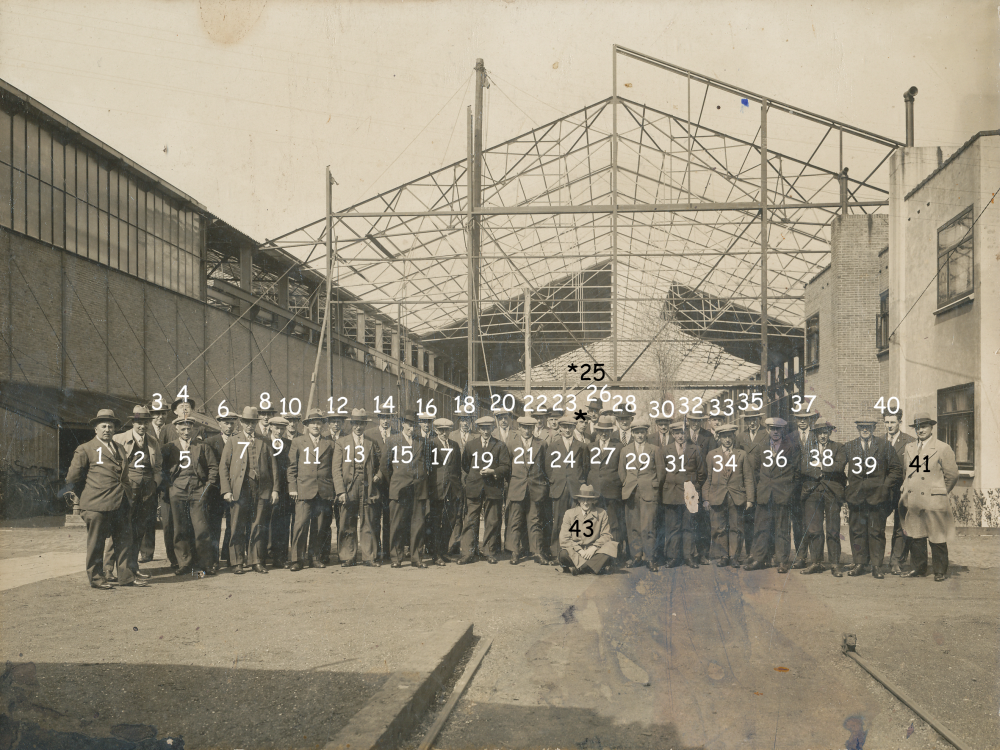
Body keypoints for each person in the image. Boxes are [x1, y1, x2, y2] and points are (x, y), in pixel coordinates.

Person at [59, 409, 148, 589]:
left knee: (123, 541)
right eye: (103, 426)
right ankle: (97, 578)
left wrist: (127, 496)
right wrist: (89, 494)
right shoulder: (85, 449)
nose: (107, 429)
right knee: (96, 544)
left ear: (114, 429)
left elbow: (123, 476)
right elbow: (72, 479)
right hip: (96, 505)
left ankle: (126, 577)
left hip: (121, 503)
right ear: (96, 429)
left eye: (110, 426)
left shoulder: (120, 448)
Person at [103, 405, 160, 582]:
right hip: (127, 488)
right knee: (120, 528)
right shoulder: (119, 439)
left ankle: (132, 567)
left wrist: (155, 483)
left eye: (145, 422)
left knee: (139, 529)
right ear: (133, 422)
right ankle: (107, 569)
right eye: (139, 422)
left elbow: (157, 466)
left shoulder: (152, 441)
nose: (142, 426)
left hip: (147, 490)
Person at [900, 413, 960, 582]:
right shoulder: (910, 448)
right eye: (918, 427)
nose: (921, 430)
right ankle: (918, 568)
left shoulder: (942, 448)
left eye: (924, 426)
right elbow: (909, 473)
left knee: (937, 536)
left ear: (931, 427)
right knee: (916, 536)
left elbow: (952, 475)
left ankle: (940, 570)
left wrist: (940, 491)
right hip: (914, 500)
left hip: (934, 500)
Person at [219, 407, 279, 574]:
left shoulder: (264, 441)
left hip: (261, 489)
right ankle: (237, 561)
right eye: (246, 422)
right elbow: (223, 466)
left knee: (258, 525)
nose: (250, 426)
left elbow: (273, 467)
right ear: (242, 422)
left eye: (253, 422)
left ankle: (257, 561)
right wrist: (226, 490)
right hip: (240, 489)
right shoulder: (233, 440)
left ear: (256, 423)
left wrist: (275, 490)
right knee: (237, 525)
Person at [843, 417, 903, 579]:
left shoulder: (884, 446)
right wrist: (847, 488)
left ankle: (877, 566)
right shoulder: (849, 446)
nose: (865, 430)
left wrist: (884, 486)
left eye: (868, 427)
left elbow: (896, 469)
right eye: (862, 427)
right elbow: (837, 466)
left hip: (878, 497)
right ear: (858, 429)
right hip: (856, 497)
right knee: (857, 531)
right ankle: (859, 563)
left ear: (874, 428)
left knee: (877, 531)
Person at [160, 414, 219, 577]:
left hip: (198, 490)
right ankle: (184, 563)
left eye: (189, 428)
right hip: (177, 491)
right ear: (177, 430)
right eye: (183, 429)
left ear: (193, 429)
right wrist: (169, 487)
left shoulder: (202, 446)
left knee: (201, 528)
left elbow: (213, 467)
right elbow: (161, 469)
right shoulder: (169, 447)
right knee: (180, 528)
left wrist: (207, 487)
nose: (186, 432)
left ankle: (205, 564)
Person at [745, 417, 799, 573]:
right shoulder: (760, 447)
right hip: (764, 495)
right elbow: (754, 471)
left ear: (783, 430)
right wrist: (759, 489)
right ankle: (759, 559)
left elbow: (796, 472)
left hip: (782, 494)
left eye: (778, 429)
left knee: (782, 529)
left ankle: (782, 561)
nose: (775, 432)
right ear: (767, 430)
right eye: (772, 429)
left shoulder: (791, 447)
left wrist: (788, 490)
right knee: (761, 528)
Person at [381, 410, 433, 568]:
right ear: (402, 423)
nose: (411, 428)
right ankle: (396, 558)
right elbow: (385, 466)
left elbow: (427, 464)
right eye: (409, 424)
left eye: (414, 425)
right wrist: (396, 482)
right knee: (397, 524)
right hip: (399, 489)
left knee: (417, 524)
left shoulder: (422, 442)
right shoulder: (392, 441)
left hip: (418, 490)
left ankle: (416, 557)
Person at [457, 415, 511, 565]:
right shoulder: (471, 445)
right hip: (474, 487)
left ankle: (490, 552)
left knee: (492, 521)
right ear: (479, 429)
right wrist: (473, 478)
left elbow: (506, 467)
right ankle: (468, 552)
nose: (486, 431)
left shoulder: (500, 445)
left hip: (493, 488)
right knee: (470, 520)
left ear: (493, 428)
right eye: (483, 428)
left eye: (488, 428)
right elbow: (465, 465)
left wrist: (493, 471)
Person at [287, 409, 335, 571]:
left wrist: (333, 490)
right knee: (300, 525)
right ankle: (297, 559)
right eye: (312, 423)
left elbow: (333, 468)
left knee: (320, 526)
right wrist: (292, 488)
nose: (316, 425)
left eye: (319, 423)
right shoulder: (298, 442)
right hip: (303, 490)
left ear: (322, 425)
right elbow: (292, 467)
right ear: (307, 425)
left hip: (323, 491)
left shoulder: (329, 443)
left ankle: (315, 557)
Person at [798, 421, 848, 576]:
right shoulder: (809, 447)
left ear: (830, 433)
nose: (822, 436)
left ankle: (834, 563)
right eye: (820, 433)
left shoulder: (838, 447)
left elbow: (839, 466)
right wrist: (820, 472)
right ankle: (816, 562)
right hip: (812, 492)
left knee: (833, 529)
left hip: (832, 492)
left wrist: (819, 466)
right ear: (815, 434)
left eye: (825, 432)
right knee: (814, 529)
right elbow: (804, 467)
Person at [333, 409, 381, 568]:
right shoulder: (342, 442)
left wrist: (377, 476)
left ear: (364, 425)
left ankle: (368, 557)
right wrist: (340, 491)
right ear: (351, 424)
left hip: (366, 487)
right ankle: (348, 556)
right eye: (355, 423)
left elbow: (381, 464)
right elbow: (336, 469)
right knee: (347, 522)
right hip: (349, 488)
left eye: (361, 424)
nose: (358, 427)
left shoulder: (370, 443)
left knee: (367, 521)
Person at [702, 423, 755, 567]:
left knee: (736, 527)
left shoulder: (741, 454)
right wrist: (706, 498)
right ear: (719, 438)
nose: (727, 440)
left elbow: (748, 478)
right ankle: (723, 555)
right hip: (717, 495)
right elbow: (708, 477)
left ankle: (734, 556)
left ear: (733, 437)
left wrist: (750, 498)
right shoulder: (712, 455)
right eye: (724, 437)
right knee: (719, 528)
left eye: (730, 436)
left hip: (736, 496)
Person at [657, 419, 706, 569]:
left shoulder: (695, 449)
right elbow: (661, 473)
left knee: (689, 526)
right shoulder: (665, 450)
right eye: (677, 433)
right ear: (672, 434)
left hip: (689, 493)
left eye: (683, 432)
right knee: (672, 526)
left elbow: (702, 473)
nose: (680, 436)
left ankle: (688, 556)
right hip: (671, 493)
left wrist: (694, 487)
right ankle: (673, 557)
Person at [619, 417, 666, 571]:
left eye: (642, 432)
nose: (639, 435)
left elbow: (661, 473)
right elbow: (622, 472)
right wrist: (629, 484)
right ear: (632, 434)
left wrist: (652, 487)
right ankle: (636, 556)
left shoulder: (655, 449)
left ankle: (650, 558)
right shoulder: (625, 450)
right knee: (633, 527)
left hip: (648, 493)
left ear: (646, 433)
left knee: (649, 526)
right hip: (631, 493)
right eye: (637, 432)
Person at [505, 415, 549, 565]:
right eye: (524, 427)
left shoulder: (541, 444)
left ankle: (537, 552)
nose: (527, 430)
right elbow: (507, 467)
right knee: (515, 521)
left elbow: (545, 467)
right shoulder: (511, 444)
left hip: (535, 488)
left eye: (530, 427)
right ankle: (515, 552)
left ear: (533, 428)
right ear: (519, 428)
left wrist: (542, 486)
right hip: (517, 488)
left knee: (535, 520)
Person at [547, 414, 589, 562]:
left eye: (570, 427)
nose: (567, 430)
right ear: (560, 428)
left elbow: (585, 467)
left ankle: (574, 553)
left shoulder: (582, 446)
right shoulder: (553, 446)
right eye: (564, 427)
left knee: (575, 522)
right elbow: (548, 467)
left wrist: (580, 481)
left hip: (575, 488)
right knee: (558, 520)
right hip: (559, 488)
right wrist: (554, 480)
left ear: (574, 427)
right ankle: (556, 553)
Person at [204, 410, 239, 572]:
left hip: (236, 490)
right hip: (216, 492)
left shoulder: (240, 441)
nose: (229, 426)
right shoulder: (210, 442)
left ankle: (230, 557)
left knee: (233, 524)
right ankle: (213, 560)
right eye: (226, 422)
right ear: (219, 424)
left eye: (232, 422)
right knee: (214, 526)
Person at [558, 485, 619, 575]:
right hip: (575, 551)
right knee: (563, 554)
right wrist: (580, 551)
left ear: (593, 500)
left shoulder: (602, 513)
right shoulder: (569, 513)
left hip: (594, 552)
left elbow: (606, 535)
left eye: (589, 499)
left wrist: (593, 548)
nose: (585, 503)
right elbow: (564, 538)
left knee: (611, 547)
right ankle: (591, 567)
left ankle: (580, 568)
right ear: (578, 500)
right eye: (583, 499)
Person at [884, 410, 916, 575]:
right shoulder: (879, 441)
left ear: (899, 422)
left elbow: (916, 468)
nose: (889, 426)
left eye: (893, 422)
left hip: (902, 490)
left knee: (900, 526)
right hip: (883, 491)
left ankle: (896, 561)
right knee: (877, 525)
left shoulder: (910, 442)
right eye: (887, 422)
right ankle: (874, 561)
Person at [587, 416, 624, 558]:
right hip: (595, 492)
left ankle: (614, 554)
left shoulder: (619, 446)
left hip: (612, 491)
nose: (604, 433)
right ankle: (597, 554)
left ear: (611, 431)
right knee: (595, 522)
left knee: (613, 523)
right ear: (597, 431)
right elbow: (586, 468)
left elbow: (621, 469)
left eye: (607, 430)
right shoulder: (590, 447)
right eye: (601, 431)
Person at [138, 401, 169, 563]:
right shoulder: (144, 429)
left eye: (163, 413)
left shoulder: (171, 429)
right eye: (156, 413)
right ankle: (146, 552)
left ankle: (172, 553)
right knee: (147, 515)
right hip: (149, 479)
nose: (160, 416)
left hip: (167, 479)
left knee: (168, 516)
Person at [428, 417, 462, 566]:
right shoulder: (431, 445)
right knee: (436, 523)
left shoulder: (454, 445)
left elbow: (457, 468)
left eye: (446, 430)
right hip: (437, 489)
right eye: (441, 430)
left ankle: (443, 551)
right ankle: (435, 555)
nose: (444, 433)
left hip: (452, 490)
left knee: (450, 521)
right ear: (436, 431)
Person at [789, 410, 821, 565]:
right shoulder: (790, 437)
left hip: (812, 484)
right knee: (798, 523)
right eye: (799, 419)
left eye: (805, 419)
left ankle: (816, 559)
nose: (802, 422)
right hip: (795, 486)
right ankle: (801, 556)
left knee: (812, 522)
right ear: (796, 420)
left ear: (810, 420)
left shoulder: (816, 436)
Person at [365, 405, 396, 562]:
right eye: (383, 417)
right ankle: (375, 552)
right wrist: (375, 476)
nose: (385, 420)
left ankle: (389, 552)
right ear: (379, 418)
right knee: (375, 518)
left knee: (390, 519)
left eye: (388, 417)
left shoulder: (397, 435)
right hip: (376, 484)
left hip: (393, 484)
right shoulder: (369, 434)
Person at [736, 410, 768, 563]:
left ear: (759, 419)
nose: (752, 422)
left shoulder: (766, 434)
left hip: (762, 482)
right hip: (746, 484)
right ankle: (750, 552)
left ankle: (764, 553)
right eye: (749, 419)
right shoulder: (741, 436)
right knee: (748, 519)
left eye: (754, 419)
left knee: (762, 519)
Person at [266, 415, 293, 568]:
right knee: (265, 523)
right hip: (266, 488)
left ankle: (280, 557)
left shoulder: (289, 443)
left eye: (282, 428)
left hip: (284, 490)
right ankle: (263, 555)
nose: (280, 431)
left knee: (282, 523)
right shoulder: (263, 442)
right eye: (277, 428)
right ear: (270, 427)